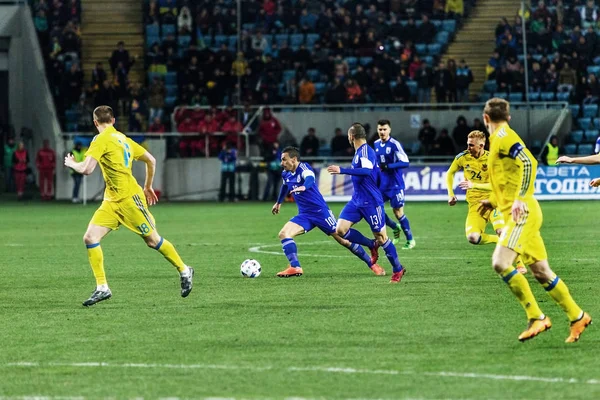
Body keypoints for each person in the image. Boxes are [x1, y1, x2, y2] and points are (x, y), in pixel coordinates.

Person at [479, 98, 591, 342]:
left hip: (522, 214)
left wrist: (520, 198)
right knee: (541, 271)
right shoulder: (499, 138)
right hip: (518, 212)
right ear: (508, 117)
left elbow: (529, 162)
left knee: (500, 262)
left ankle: (536, 317)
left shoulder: (504, 137)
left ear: (485, 118)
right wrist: (494, 201)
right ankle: (577, 316)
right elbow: (506, 179)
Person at [63, 106, 194, 306]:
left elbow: (87, 169)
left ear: (95, 122)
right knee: (90, 237)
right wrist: (148, 186)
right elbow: (151, 160)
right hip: (111, 201)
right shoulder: (124, 139)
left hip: (130, 200)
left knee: (153, 241)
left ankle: (185, 270)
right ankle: (102, 288)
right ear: (114, 121)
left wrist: (72, 163)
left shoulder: (101, 139)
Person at [272, 146, 385, 277]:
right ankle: (295, 267)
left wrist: (304, 186)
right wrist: (279, 202)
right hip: (304, 215)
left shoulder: (304, 168)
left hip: (321, 212)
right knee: (284, 234)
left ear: (294, 159)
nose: (282, 163)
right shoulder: (285, 173)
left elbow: (310, 179)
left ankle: (372, 256)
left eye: (284, 160)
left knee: (344, 240)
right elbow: (285, 186)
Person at [327, 123, 406, 283]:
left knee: (382, 237)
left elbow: (366, 171)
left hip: (371, 202)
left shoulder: (366, 151)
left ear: (351, 136)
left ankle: (397, 269)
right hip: (357, 200)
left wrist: (342, 170)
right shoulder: (359, 152)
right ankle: (371, 244)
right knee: (340, 230)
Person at [446, 130, 527, 274]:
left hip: (493, 203)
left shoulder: (492, 160)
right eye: (468, 144)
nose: (468, 148)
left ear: (481, 145)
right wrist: (450, 194)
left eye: (471, 145)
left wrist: (474, 185)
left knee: (502, 230)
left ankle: (520, 263)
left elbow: (497, 185)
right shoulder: (463, 157)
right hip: (475, 206)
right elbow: (450, 173)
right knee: (473, 237)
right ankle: (498, 240)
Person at [374, 120, 415, 249]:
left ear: (389, 130)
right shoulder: (375, 144)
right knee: (376, 209)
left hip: (395, 185)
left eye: (384, 129)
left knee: (398, 213)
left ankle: (410, 240)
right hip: (382, 185)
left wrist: (388, 166)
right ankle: (394, 227)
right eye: (380, 129)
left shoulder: (394, 144)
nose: (382, 132)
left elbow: (405, 162)